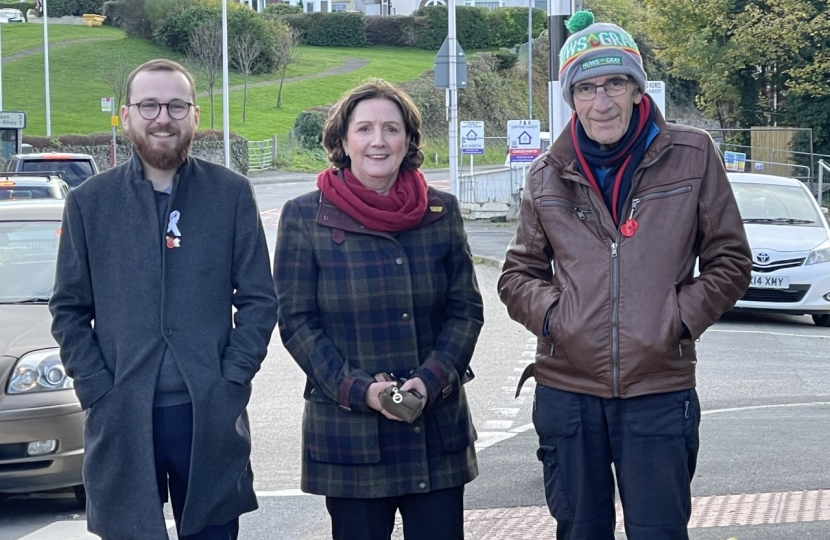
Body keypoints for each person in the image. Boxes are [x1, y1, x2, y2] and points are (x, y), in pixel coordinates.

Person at [498, 11, 752, 540]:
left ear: (637, 89)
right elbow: (517, 274)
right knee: (579, 531)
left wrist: (675, 321)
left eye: (615, 82)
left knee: (660, 531)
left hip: (658, 388)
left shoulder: (691, 154)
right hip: (568, 390)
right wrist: (557, 319)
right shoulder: (547, 172)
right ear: (571, 97)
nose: (602, 101)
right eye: (586, 87)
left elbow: (730, 261)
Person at [49, 59, 278, 540]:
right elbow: (69, 309)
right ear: (127, 115)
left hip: (209, 415)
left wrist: (230, 380)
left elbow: (259, 299)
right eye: (149, 104)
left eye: (176, 105)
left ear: (194, 115)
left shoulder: (231, 194)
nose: (162, 117)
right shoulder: (89, 203)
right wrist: (97, 390)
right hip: (122, 417)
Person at [273, 79, 484, 540]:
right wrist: (358, 389)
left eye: (391, 128)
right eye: (364, 128)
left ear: (408, 140)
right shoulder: (304, 216)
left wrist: (429, 382)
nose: (378, 140)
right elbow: (296, 322)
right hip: (351, 439)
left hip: (435, 431)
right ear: (342, 141)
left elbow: (465, 310)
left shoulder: (440, 212)